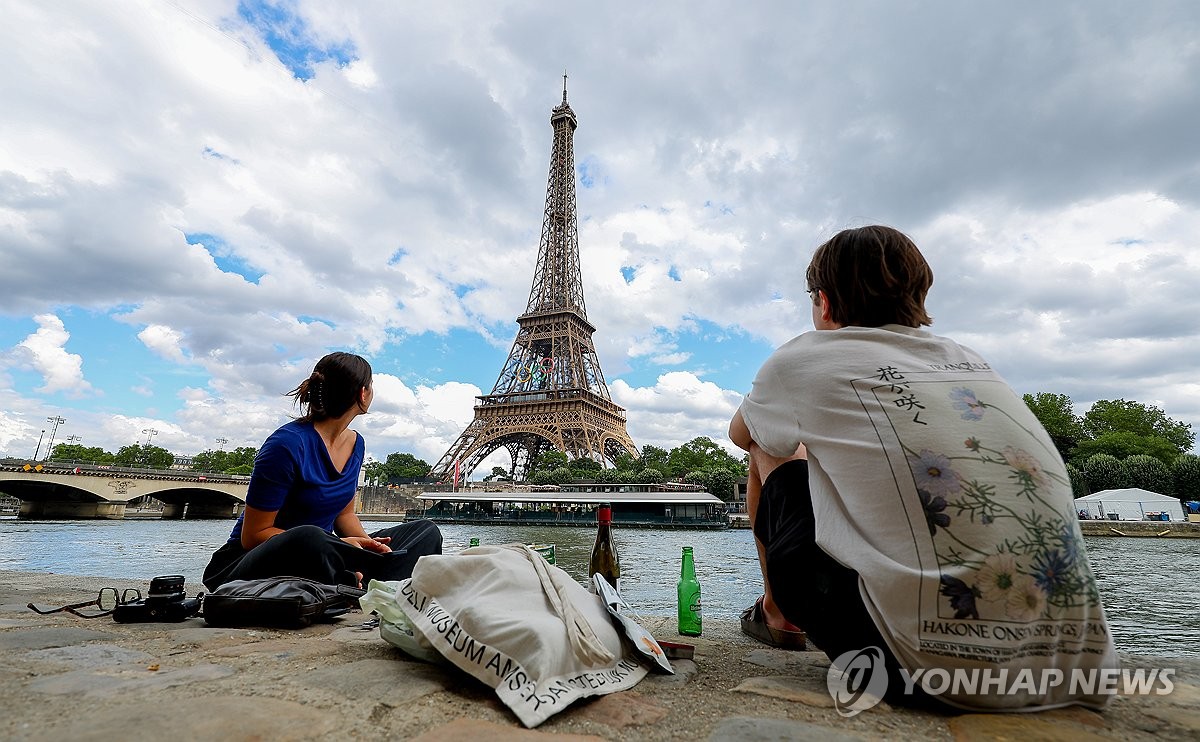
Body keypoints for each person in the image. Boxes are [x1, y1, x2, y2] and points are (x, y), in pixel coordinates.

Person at [729, 226, 1117, 711]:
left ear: (824, 302)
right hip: (1073, 671)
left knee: (773, 446)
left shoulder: (801, 358)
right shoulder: (968, 360)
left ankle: (777, 615)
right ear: (919, 294)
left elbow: (742, 434)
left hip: (927, 673)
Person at [203, 352, 442, 592]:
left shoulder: (356, 444)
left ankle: (361, 586)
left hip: (324, 554)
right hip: (249, 562)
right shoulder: (286, 444)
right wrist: (338, 545)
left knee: (425, 532)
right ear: (362, 393)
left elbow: (345, 515)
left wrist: (367, 545)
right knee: (310, 537)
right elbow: (253, 535)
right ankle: (352, 583)